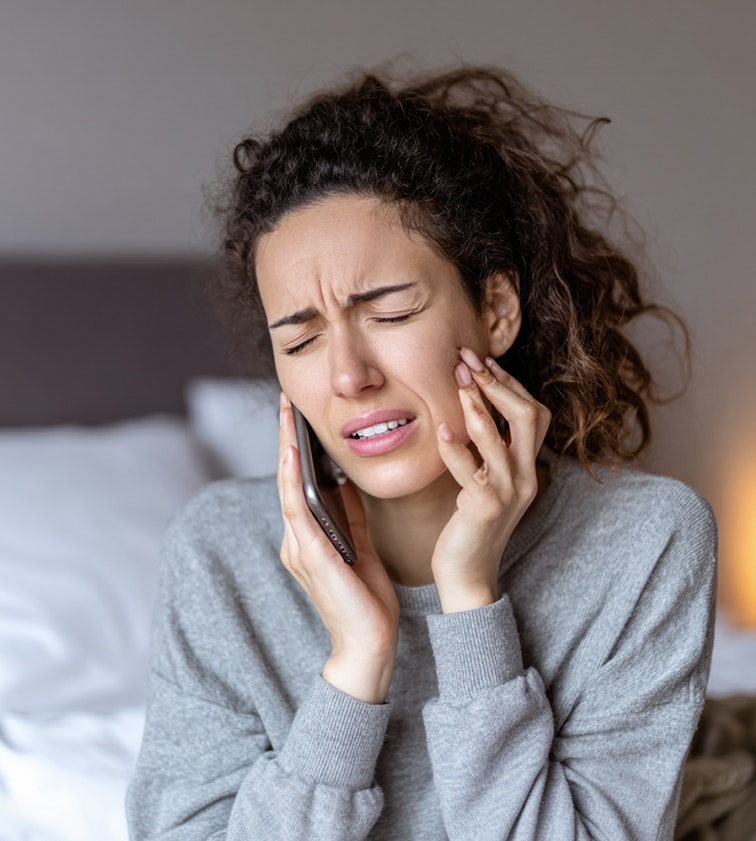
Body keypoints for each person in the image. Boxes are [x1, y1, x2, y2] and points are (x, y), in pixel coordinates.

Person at [126, 65, 717, 840]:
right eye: (300, 339)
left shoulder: (649, 542)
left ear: (496, 310)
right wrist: (356, 664)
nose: (348, 376)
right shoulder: (219, 556)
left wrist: (470, 599)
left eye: (392, 311)